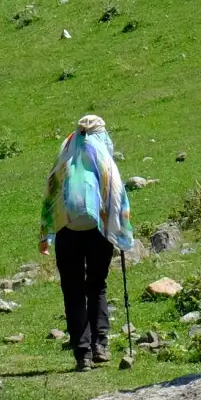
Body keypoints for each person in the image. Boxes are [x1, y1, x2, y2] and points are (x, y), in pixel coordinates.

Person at [40, 114, 133, 371]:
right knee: (97, 285)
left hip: (66, 228)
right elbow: (117, 194)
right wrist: (121, 231)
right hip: (98, 229)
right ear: (101, 133)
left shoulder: (66, 152)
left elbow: (51, 189)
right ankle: (100, 345)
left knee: (73, 291)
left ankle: (83, 354)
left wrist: (44, 234)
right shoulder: (103, 156)